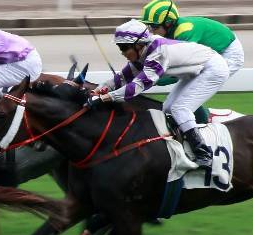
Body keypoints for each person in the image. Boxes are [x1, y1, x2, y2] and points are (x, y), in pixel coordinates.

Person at [90, 19, 229, 168]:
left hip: (213, 69)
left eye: (124, 48)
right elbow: (122, 78)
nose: (122, 52)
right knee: (168, 108)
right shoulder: (143, 52)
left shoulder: (159, 52)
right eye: (120, 48)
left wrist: (106, 97)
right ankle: (183, 145)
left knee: (179, 109)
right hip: (197, 71)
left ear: (138, 44)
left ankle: (204, 154)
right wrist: (99, 89)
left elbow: (138, 86)